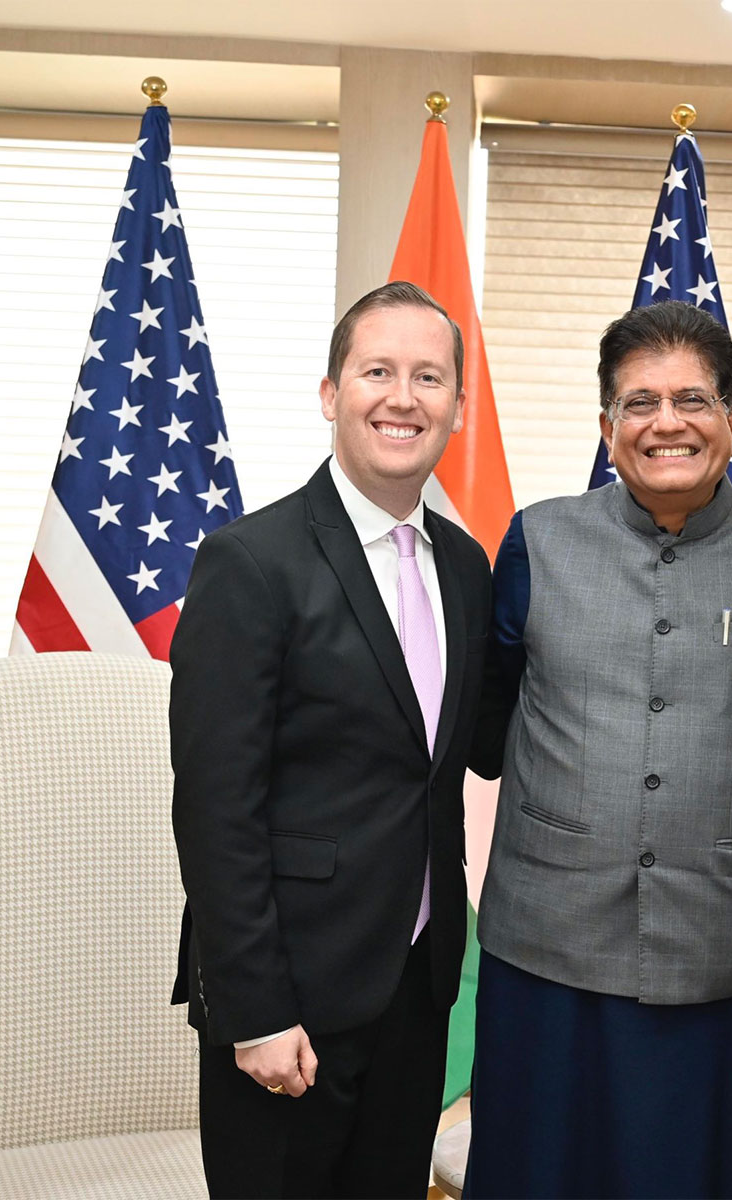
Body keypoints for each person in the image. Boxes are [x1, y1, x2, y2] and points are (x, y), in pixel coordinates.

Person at [463, 300, 732, 1199]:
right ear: (606, 426)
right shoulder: (537, 541)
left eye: (694, 398)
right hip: (549, 947)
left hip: (725, 952)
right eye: (639, 403)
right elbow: (485, 716)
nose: (667, 422)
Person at [169, 281, 492, 1198]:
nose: (404, 397)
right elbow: (215, 807)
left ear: (458, 407)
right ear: (330, 394)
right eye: (377, 371)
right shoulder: (252, 561)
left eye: (429, 377)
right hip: (292, 1002)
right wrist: (254, 1009)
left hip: (417, 991)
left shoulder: (466, 568)